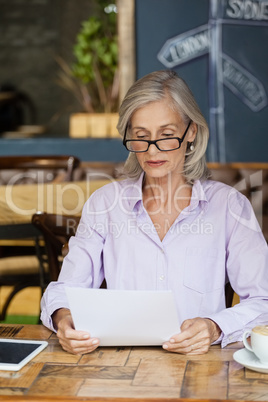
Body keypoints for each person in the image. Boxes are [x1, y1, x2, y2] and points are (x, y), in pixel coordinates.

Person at [41, 70, 268, 355]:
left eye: (167, 135)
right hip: (118, 370)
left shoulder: (229, 207)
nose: (152, 150)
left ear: (191, 133)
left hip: (200, 373)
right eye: (141, 137)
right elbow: (65, 289)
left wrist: (214, 326)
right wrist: (64, 319)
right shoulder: (104, 204)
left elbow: (263, 300)